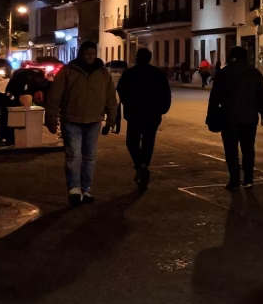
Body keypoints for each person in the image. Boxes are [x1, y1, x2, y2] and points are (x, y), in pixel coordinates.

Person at [45, 41, 118, 207]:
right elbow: (55, 96)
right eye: (87, 54)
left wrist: (111, 119)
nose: (90, 57)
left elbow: (110, 97)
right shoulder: (67, 71)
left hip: (94, 120)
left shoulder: (103, 73)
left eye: (93, 54)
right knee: (73, 155)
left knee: (90, 156)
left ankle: (86, 189)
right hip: (72, 120)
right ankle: (74, 189)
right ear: (81, 54)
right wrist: (51, 118)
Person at [206, 45, 263, 191]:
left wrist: (211, 116)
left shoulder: (224, 73)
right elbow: (261, 94)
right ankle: (248, 179)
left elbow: (215, 97)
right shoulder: (254, 73)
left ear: (232, 57)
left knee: (231, 150)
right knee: (248, 149)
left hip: (229, 118)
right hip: (250, 118)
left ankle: (234, 180)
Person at [116, 47, 172, 188]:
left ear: (137, 58)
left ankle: (140, 165)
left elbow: (121, 91)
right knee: (148, 142)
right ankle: (144, 166)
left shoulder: (129, 74)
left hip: (134, 114)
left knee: (132, 142)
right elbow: (166, 94)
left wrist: (127, 104)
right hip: (152, 115)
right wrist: (162, 110)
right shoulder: (158, 74)